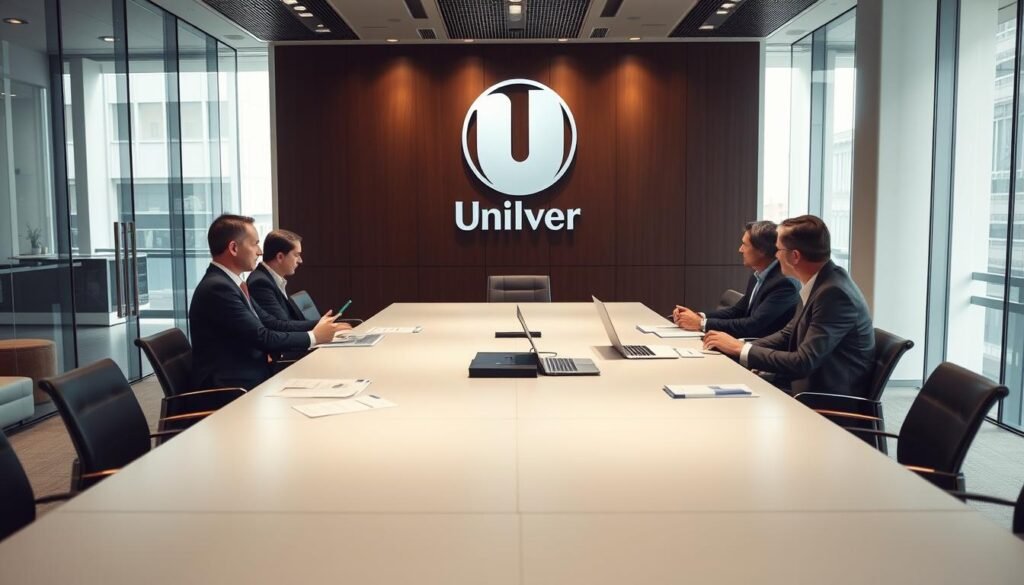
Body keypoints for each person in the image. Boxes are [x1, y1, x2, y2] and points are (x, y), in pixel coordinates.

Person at [703, 215, 874, 397]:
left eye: (778, 250)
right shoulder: (820, 282)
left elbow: (804, 361)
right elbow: (787, 334)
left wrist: (741, 349)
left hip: (824, 400)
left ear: (795, 256)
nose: (775, 256)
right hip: (801, 386)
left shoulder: (834, 294)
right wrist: (738, 346)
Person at [189, 214, 346, 390]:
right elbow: (262, 337)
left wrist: (320, 327)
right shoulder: (218, 288)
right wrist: (314, 336)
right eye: (255, 243)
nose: (260, 251)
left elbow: (269, 323)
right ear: (233, 248)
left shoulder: (231, 284)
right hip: (231, 387)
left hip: (253, 374)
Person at [672, 221, 798, 338]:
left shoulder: (784, 283)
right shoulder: (758, 275)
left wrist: (701, 323)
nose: (740, 249)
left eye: (744, 245)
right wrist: (698, 316)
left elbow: (753, 325)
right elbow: (738, 311)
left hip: (761, 351)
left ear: (762, 251)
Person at [247, 229, 350, 329]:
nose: (300, 260)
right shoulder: (260, 283)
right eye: (297, 255)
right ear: (280, 257)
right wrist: (324, 324)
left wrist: (326, 323)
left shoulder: (272, 278)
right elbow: (281, 326)